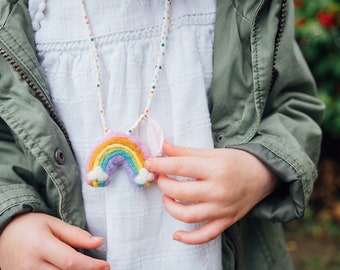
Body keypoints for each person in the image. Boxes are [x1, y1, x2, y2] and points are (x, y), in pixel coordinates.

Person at [0, 0, 324, 269]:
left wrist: (259, 170)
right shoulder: (17, 16)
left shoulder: (244, 8)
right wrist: (10, 222)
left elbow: (293, 105)